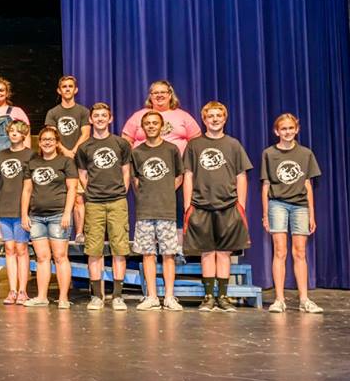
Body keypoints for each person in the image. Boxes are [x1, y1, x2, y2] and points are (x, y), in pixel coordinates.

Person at [183, 101, 252, 313]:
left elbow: (241, 176)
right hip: (201, 205)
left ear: (224, 118)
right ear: (204, 120)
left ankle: (223, 296)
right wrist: (187, 206)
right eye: (210, 116)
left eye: (218, 116)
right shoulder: (194, 145)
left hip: (228, 205)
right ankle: (208, 297)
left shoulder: (233, 144)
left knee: (223, 253)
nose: (214, 119)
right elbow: (188, 175)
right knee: (206, 252)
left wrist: (241, 205)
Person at [261, 113, 323, 314]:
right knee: (280, 251)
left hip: (300, 206)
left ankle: (304, 299)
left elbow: (308, 185)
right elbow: (266, 185)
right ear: (276, 131)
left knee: (300, 252)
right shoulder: (269, 153)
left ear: (297, 129)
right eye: (283, 129)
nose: (287, 132)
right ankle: (279, 299)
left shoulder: (305, 153)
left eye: (290, 128)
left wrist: (311, 213)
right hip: (277, 204)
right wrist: (265, 214)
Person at [75, 103, 132, 311]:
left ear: (110, 118)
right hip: (94, 203)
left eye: (103, 115)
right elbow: (82, 175)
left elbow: (126, 171)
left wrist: (121, 192)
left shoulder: (121, 143)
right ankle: (97, 296)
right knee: (94, 249)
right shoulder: (84, 147)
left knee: (119, 249)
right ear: (91, 119)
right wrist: (91, 193)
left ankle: (117, 296)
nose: (100, 118)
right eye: (96, 115)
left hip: (117, 201)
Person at [130, 111, 185, 312]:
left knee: (169, 254)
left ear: (162, 126)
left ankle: (169, 297)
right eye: (147, 123)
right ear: (143, 127)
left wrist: (165, 192)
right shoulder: (137, 152)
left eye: (155, 123)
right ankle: (152, 296)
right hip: (145, 211)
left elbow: (179, 177)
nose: (151, 126)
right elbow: (135, 181)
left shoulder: (171, 149)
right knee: (148, 254)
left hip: (167, 210)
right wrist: (149, 194)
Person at [21, 126, 77, 309]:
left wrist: (67, 213)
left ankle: (63, 298)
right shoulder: (32, 163)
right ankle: (42, 297)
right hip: (36, 217)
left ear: (57, 142)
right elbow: (27, 190)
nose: (47, 142)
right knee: (42, 258)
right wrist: (24, 214)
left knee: (60, 256)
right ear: (39, 142)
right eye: (44, 139)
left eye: (51, 139)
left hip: (58, 215)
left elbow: (72, 189)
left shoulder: (66, 162)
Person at [0, 77, 30, 233]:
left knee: (12, 198)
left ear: (7, 93)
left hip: (12, 164)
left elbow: (26, 136)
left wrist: (26, 160)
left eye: (1, 90)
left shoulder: (16, 112)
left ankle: (19, 231)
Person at [44, 76, 90, 242]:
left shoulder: (83, 111)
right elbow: (51, 135)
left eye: (70, 86)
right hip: (58, 161)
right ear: (59, 90)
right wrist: (65, 151)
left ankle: (79, 233)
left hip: (78, 161)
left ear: (75, 90)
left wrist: (74, 150)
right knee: (59, 198)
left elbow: (86, 133)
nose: (67, 89)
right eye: (64, 86)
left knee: (78, 198)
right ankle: (59, 234)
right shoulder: (53, 113)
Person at [0, 120, 35, 304]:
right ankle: (12, 290)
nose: (13, 134)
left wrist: (26, 211)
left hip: (21, 208)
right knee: (9, 249)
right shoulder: (1, 155)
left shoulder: (30, 155)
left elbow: (31, 185)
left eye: (17, 131)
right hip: (4, 206)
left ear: (24, 134)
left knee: (21, 249)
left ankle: (22, 291)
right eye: (11, 130)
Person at [121, 80, 202, 154]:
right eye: (155, 93)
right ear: (150, 96)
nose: (159, 95)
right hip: (144, 163)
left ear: (170, 95)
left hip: (177, 163)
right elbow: (126, 140)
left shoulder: (183, 116)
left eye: (163, 92)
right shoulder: (138, 116)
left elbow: (196, 141)